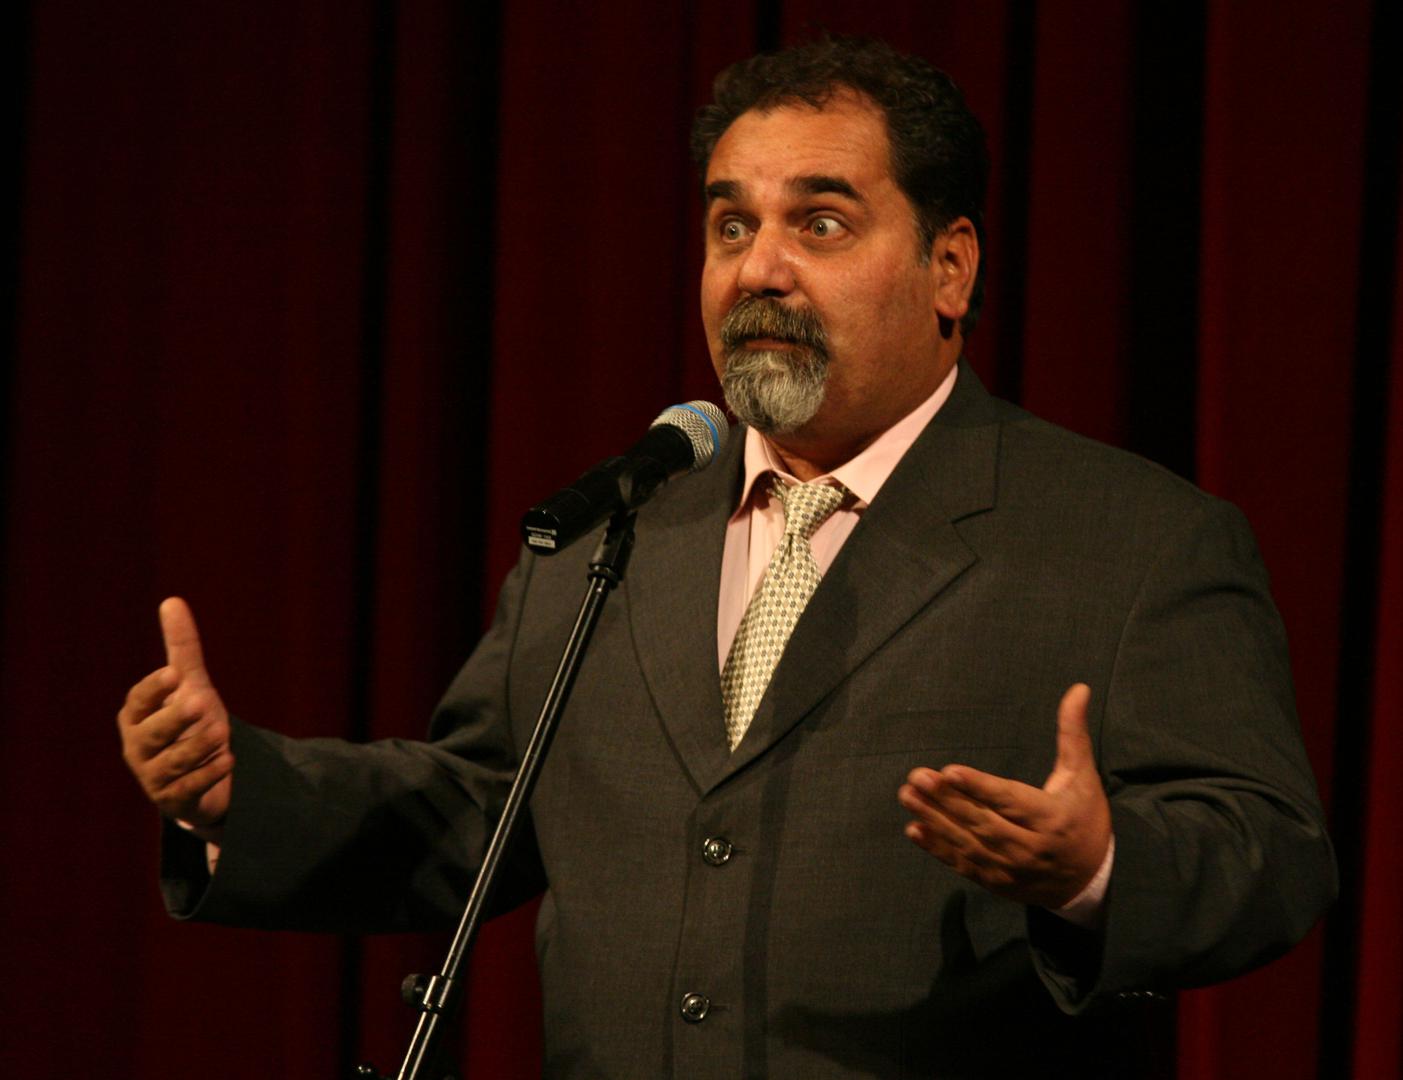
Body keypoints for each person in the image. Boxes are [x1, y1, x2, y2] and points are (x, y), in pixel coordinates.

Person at [118, 37, 1336, 1078]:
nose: (759, 268)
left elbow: (1270, 856)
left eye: (820, 222)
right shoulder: (615, 529)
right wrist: (239, 792)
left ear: (948, 267)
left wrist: (1098, 868)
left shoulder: (1129, 539)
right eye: (729, 224)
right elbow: (476, 806)